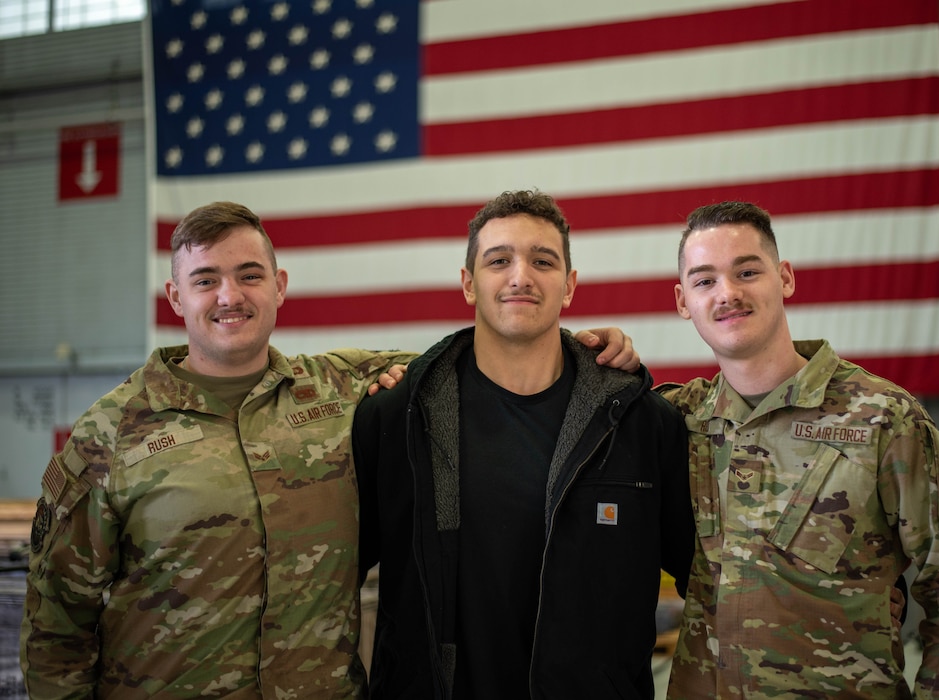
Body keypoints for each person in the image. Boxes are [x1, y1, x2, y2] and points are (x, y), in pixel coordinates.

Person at [19, 201, 637, 699]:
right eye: (205, 280)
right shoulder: (109, 433)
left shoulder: (342, 389)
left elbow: (492, 357)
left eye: (249, 275)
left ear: (279, 286)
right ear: (177, 297)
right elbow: (55, 625)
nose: (229, 296)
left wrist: (594, 353)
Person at [352, 189, 695, 699]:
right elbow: (330, 584)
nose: (521, 276)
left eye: (542, 260)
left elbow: (709, 586)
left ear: (569, 285)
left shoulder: (643, 422)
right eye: (499, 260)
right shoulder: (394, 416)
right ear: (469, 284)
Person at [661, 201, 939, 698]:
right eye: (705, 280)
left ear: (785, 279)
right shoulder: (680, 420)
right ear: (682, 300)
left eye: (747, 271)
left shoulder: (884, 419)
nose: (728, 293)